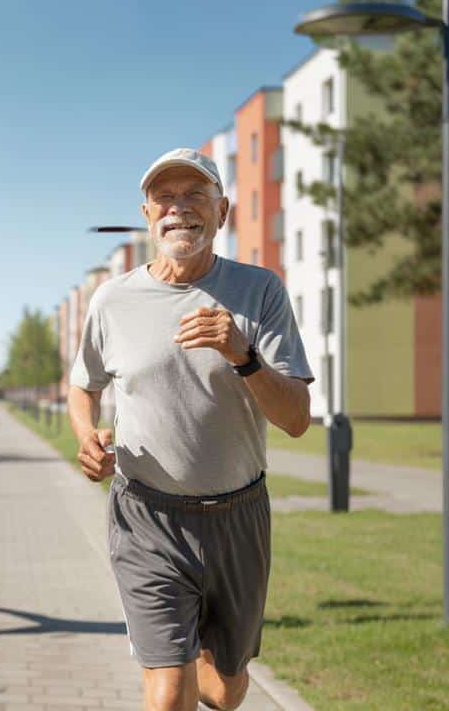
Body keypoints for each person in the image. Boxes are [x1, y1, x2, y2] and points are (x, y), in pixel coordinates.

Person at [68, 148, 312, 711]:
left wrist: (242, 354)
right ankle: (179, 657)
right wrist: (87, 436)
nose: (180, 208)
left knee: (225, 690)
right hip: (146, 515)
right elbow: (84, 385)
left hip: (238, 515)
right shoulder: (113, 299)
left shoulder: (260, 291)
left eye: (195, 195)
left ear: (222, 211)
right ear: (148, 214)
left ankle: (209, 658)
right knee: (169, 688)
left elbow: (296, 418)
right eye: (165, 198)